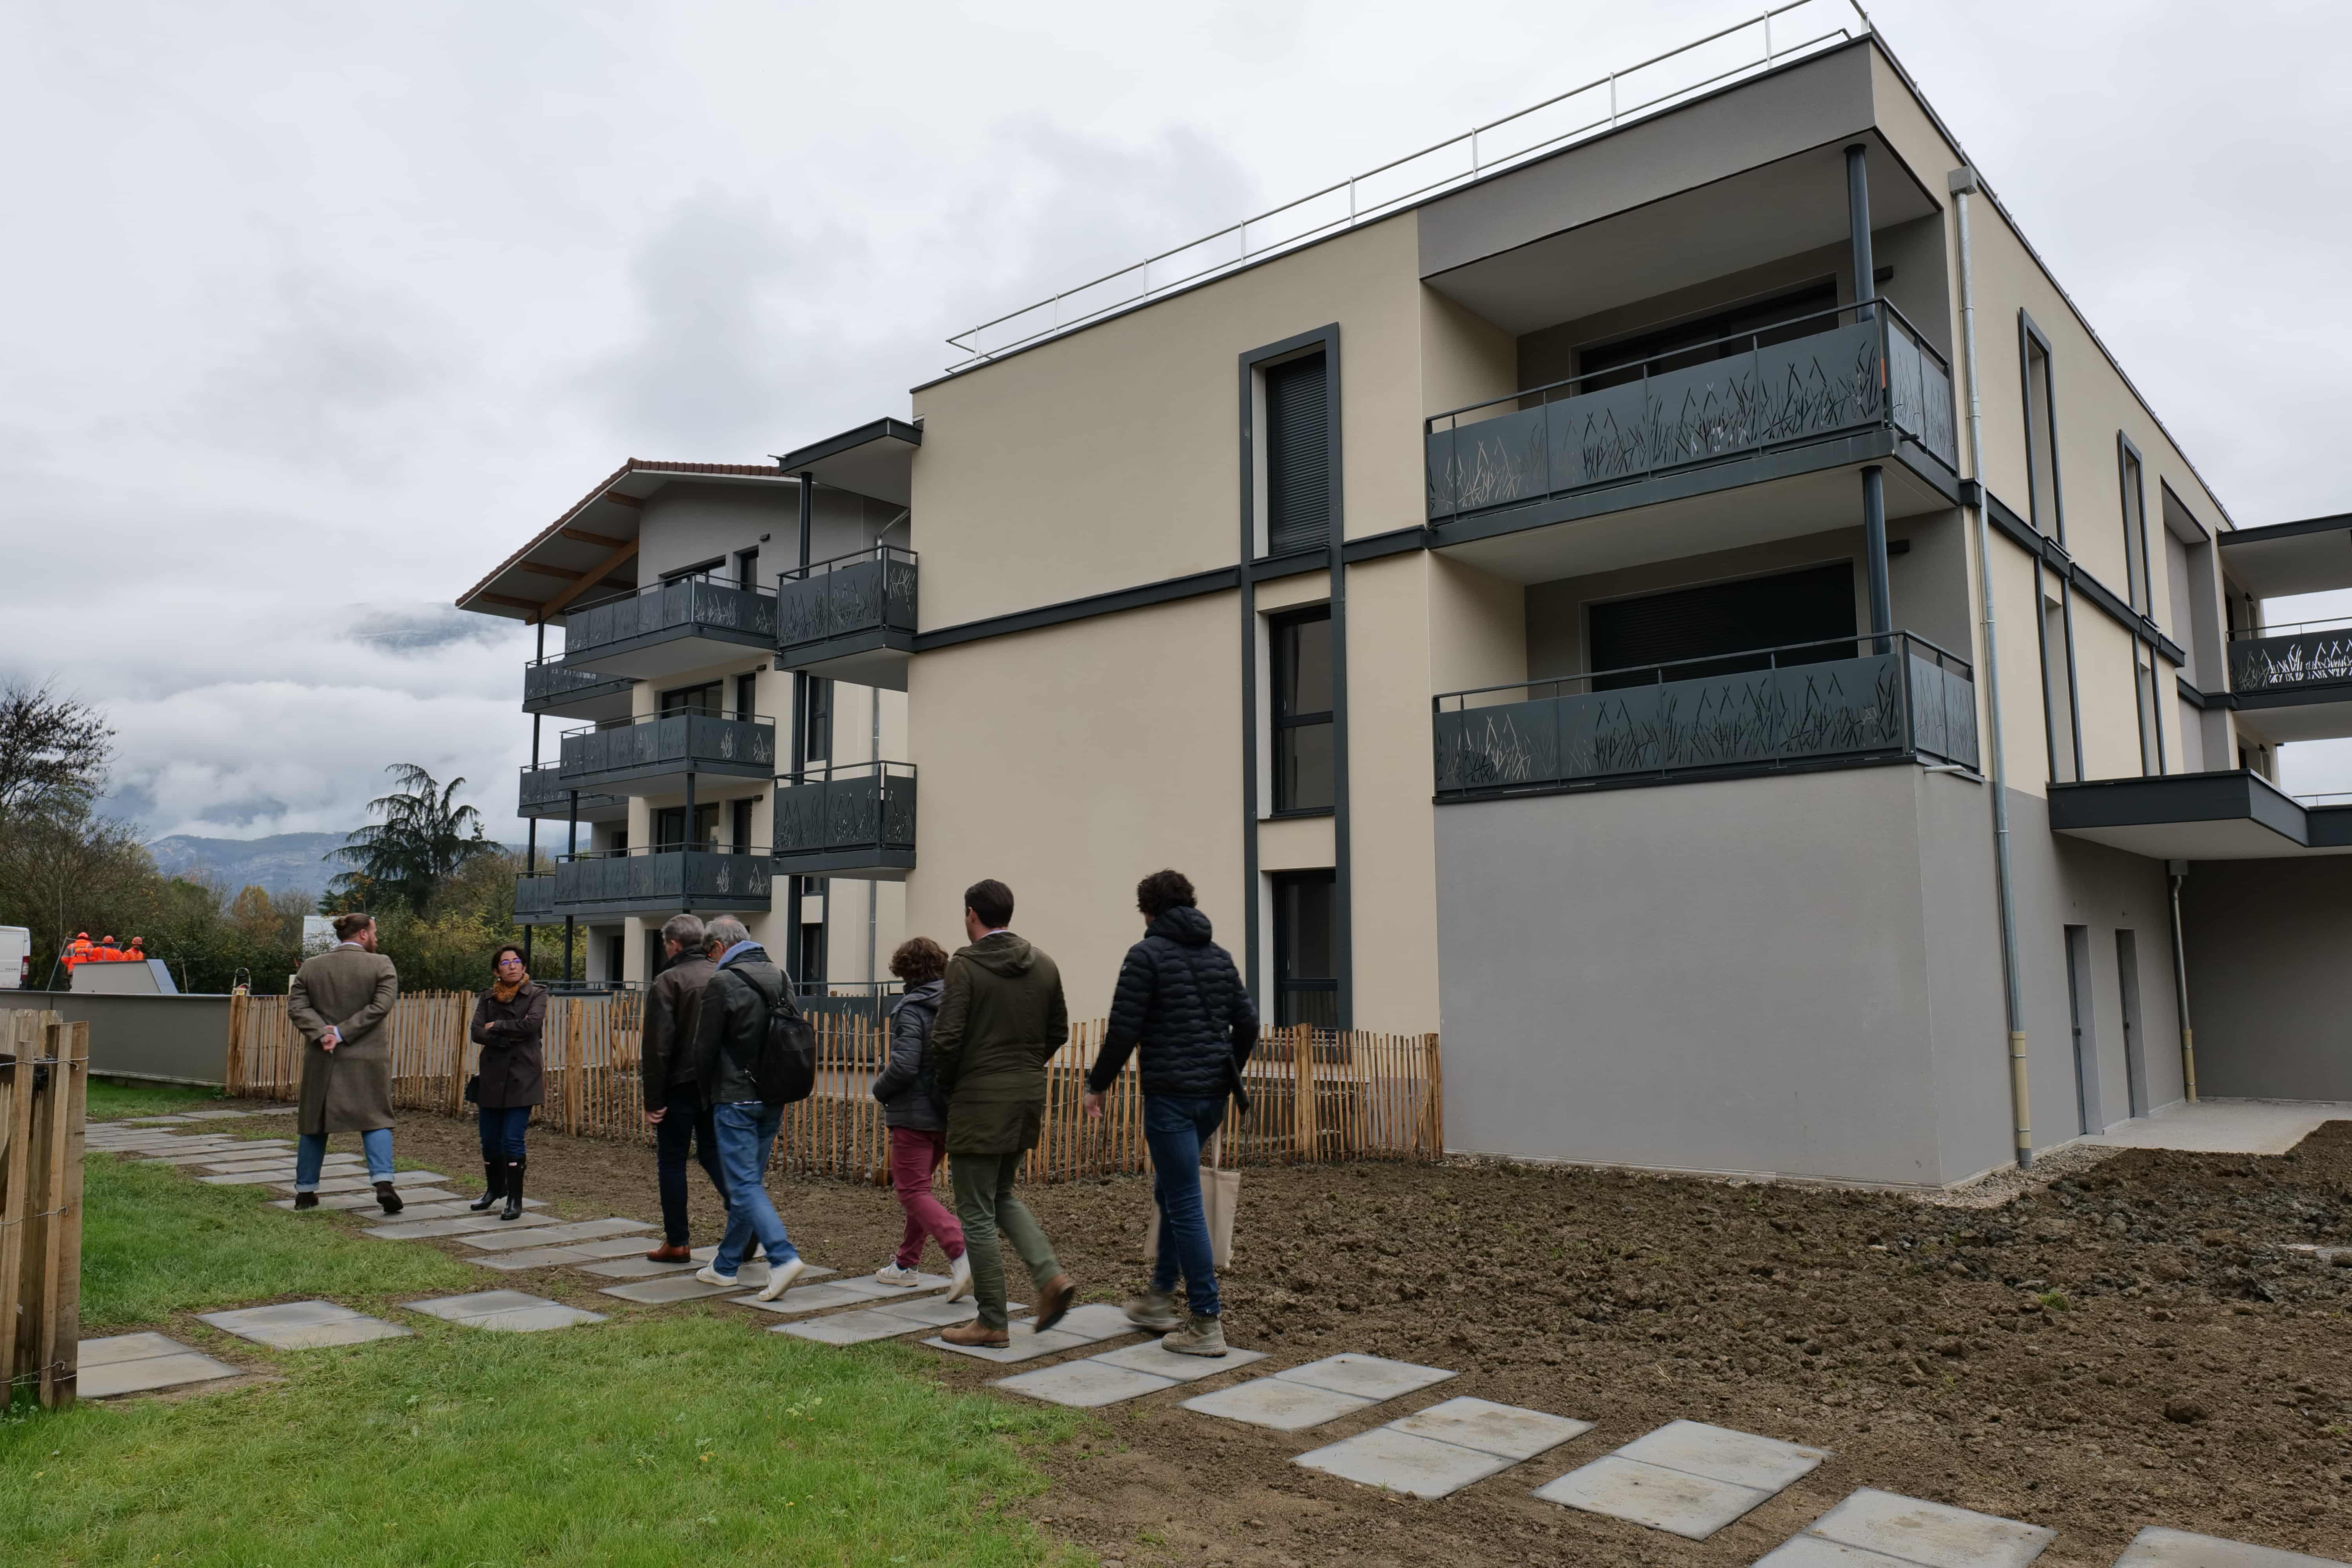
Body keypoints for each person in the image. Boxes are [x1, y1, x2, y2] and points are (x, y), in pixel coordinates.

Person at [1084, 868, 1257, 1357]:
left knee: (1183, 1199)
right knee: (1171, 1189)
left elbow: (1123, 1030)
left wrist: (1096, 1085)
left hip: (1170, 1098)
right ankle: (1160, 1297)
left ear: (1149, 910)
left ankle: (1206, 1321)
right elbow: (1247, 1023)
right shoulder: (1219, 957)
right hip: (1211, 1098)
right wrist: (1228, 1072)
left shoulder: (1146, 956)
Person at [931, 879, 1077, 1348]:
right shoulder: (1045, 964)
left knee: (975, 1209)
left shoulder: (964, 967)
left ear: (972, 914)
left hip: (978, 1097)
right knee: (1003, 1194)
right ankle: (1050, 1278)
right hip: (1026, 1094)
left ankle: (992, 1320)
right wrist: (1024, 1066)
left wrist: (950, 1085)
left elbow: (947, 1040)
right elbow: (1059, 1030)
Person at [688, 917, 807, 1301]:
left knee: (743, 1185)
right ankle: (725, 1266)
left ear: (719, 946)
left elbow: (703, 1049)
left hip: (736, 1096)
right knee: (749, 1183)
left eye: (709, 952)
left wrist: (705, 1097)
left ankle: (783, 1256)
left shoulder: (722, 982)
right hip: (773, 1094)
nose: (710, 960)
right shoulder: (781, 975)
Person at [869, 936, 970, 1297]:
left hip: (914, 1115)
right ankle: (905, 1265)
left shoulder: (911, 1008)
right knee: (920, 1190)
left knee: (911, 1190)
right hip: (949, 1112)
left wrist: (879, 1089)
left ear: (904, 972)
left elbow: (905, 1066)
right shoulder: (958, 1003)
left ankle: (960, 1250)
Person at [285, 911, 403, 1213]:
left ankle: (306, 1192)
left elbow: (297, 1006)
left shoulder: (311, 967)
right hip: (367, 1058)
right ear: (363, 934)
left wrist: (323, 1033)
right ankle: (383, 1183)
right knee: (376, 1118)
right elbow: (381, 1007)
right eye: (374, 932)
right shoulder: (382, 964)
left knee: (314, 1123)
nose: (376, 938)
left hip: (322, 1058)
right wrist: (343, 1032)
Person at [641, 912, 728, 1262]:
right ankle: (748, 1218)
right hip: (718, 1086)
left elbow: (657, 1047)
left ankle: (677, 1242)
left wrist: (653, 1099)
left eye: (665, 945)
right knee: (712, 1154)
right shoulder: (724, 975)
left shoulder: (667, 981)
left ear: (674, 944)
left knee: (672, 1162)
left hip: (679, 1086)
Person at [468, 944, 546, 1221]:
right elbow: (477, 1033)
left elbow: (531, 1026)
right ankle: (494, 1190)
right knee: (489, 1141)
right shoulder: (488, 998)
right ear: (496, 970)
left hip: (523, 1077)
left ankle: (515, 1199)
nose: (512, 966)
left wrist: (497, 1027)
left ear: (524, 967)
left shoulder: (537, 994)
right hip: (491, 1077)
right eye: (505, 962)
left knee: (512, 1140)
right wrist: (508, 1034)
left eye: (517, 962)